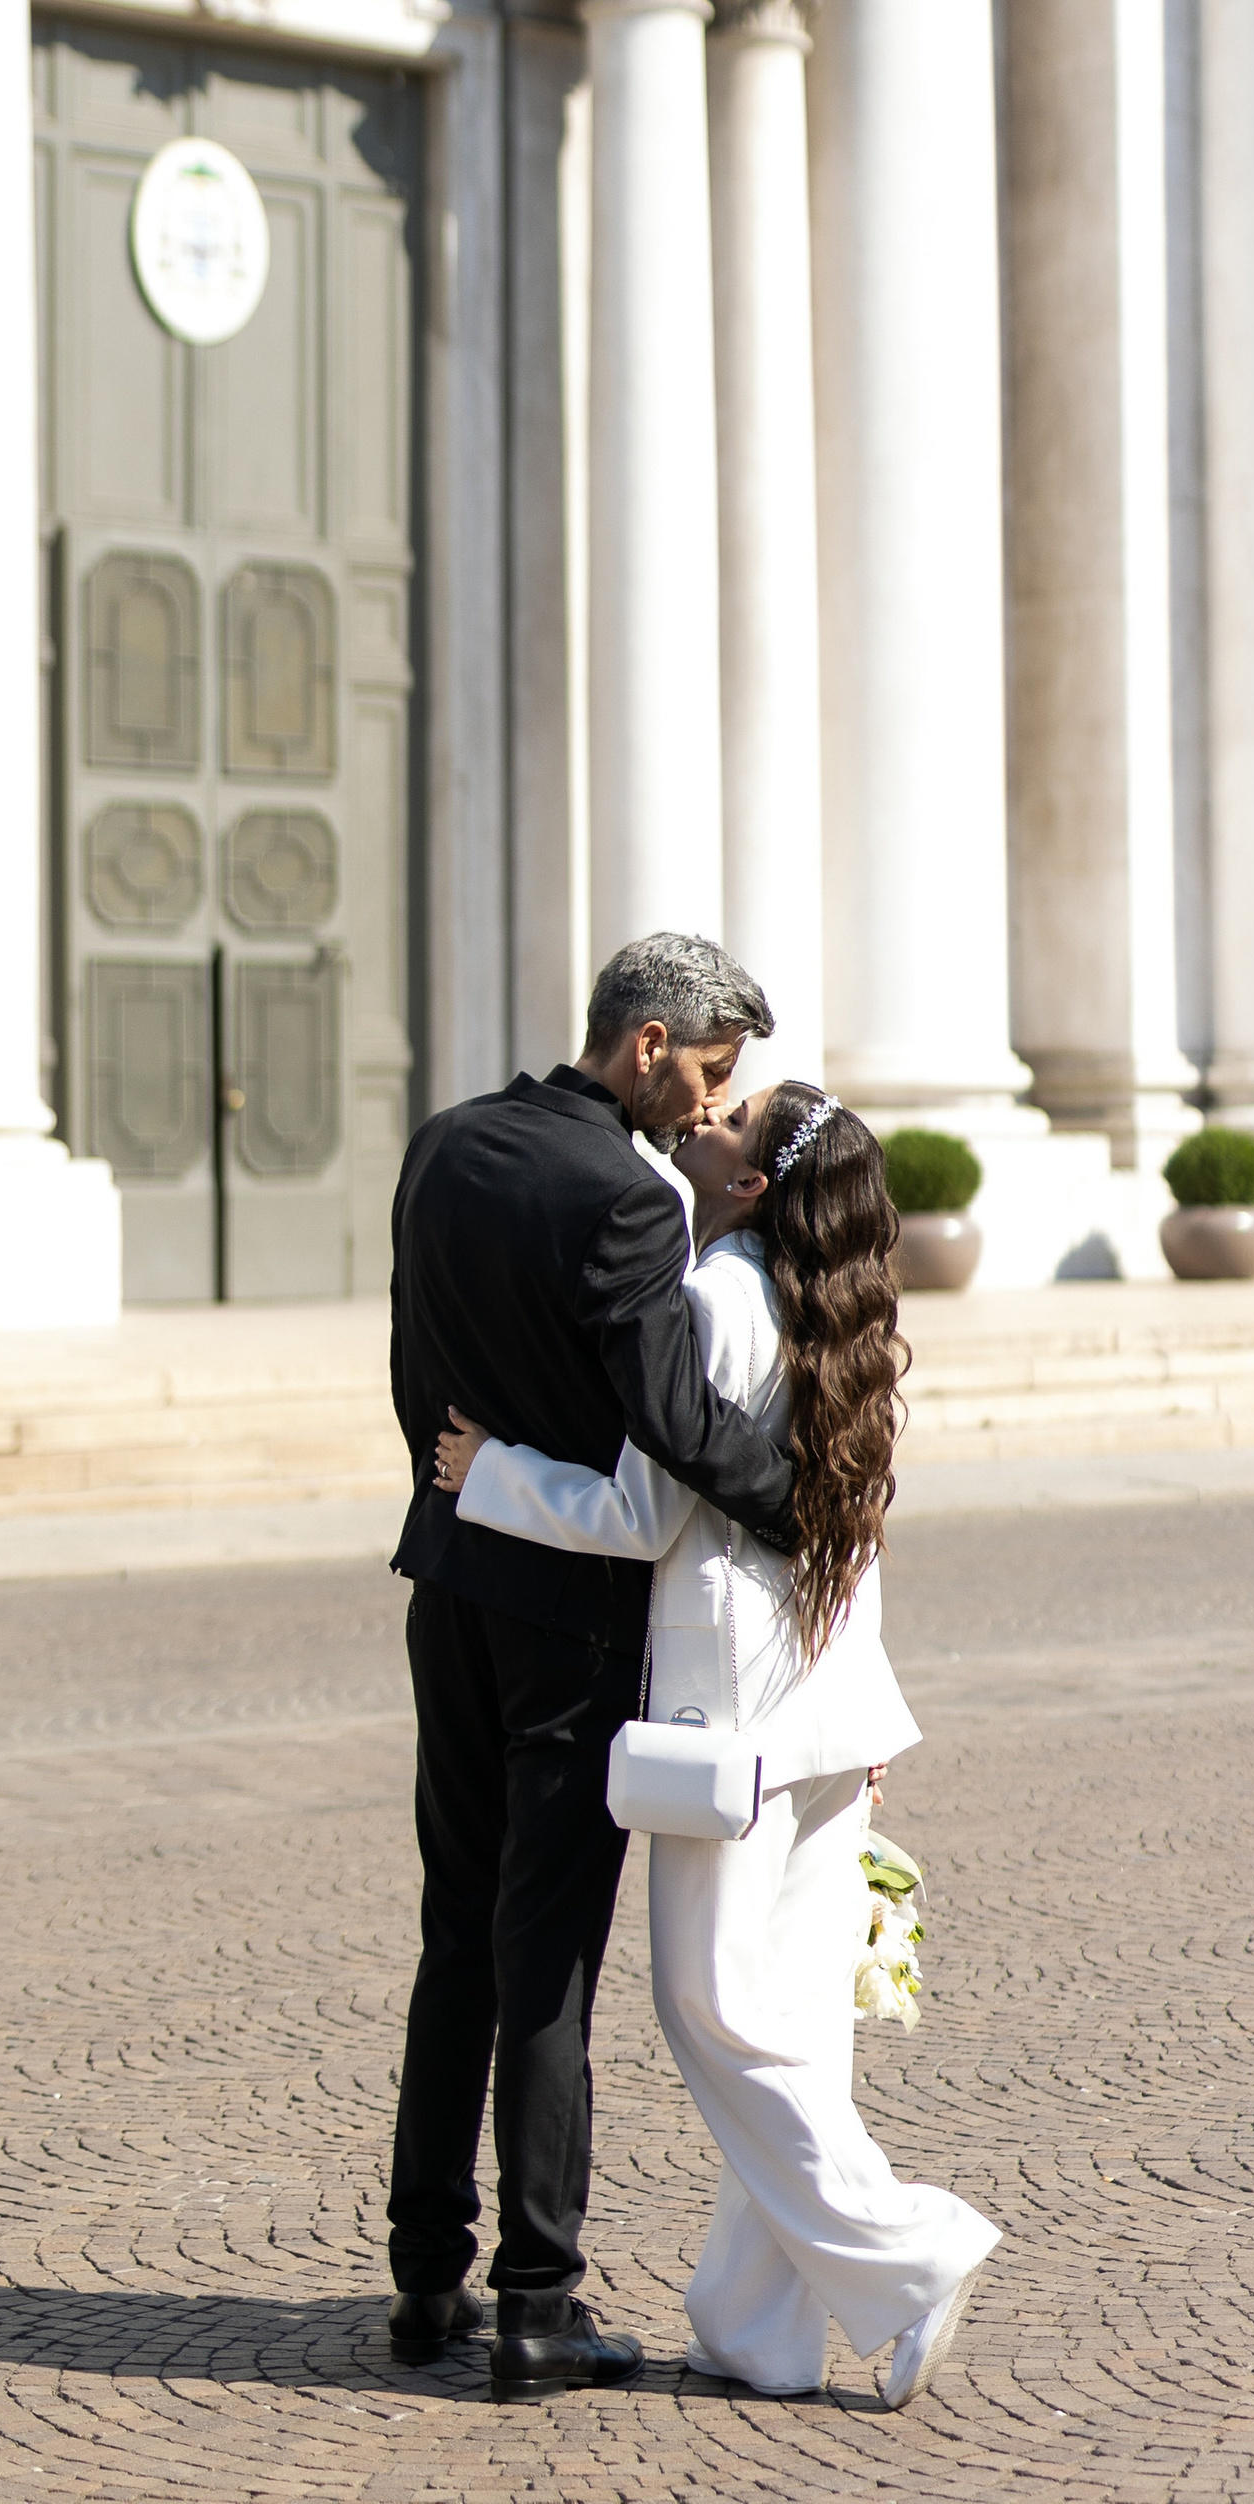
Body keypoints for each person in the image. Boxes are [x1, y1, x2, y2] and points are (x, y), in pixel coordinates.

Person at [436, 1080, 999, 2410]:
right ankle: (757, 2331)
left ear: (752, 1184)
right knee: (794, 2029)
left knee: (714, 2011)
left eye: (733, 1117)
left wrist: (490, 1474)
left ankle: (911, 2250)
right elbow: (849, 1526)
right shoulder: (838, 1311)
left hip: (735, 1720)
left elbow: (643, 1517)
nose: (703, 1116)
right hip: (830, 1708)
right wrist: (867, 1701)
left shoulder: (717, 1301)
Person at [385, 933, 800, 2402]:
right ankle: (539, 2298)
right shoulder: (629, 1195)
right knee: (545, 1956)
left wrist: (457, 1496)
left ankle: (425, 2271)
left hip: (450, 1587)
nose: (713, 1103)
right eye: (709, 1070)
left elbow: (412, 1377)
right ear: (647, 1044)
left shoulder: (442, 1144)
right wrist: (815, 1503)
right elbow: (675, 1422)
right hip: (568, 1620)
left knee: (455, 1931)